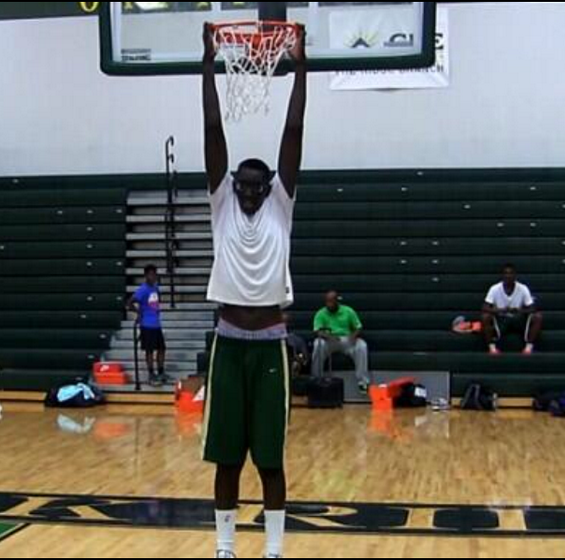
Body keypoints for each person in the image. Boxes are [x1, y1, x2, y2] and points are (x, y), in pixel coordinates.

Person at [200, 21, 307, 560]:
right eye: (238, 183)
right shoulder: (220, 205)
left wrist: (300, 67)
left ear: (268, 188)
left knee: (270, 458)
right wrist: (208, 63)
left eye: (253, 185)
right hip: (227, 342)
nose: (244, 190)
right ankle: (225, 547)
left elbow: (293, 131)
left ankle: (273, 549)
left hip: (269, 344)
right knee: (226, 457)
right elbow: (212, 129)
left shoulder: (280, 208)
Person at [312, 291, 370, 393]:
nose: (329, 304)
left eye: (331, 301)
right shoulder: (321, 313)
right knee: (318, 344)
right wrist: (329, 336)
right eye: (327, 301)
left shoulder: (348, 311)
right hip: (329, 340)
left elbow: (358, 327)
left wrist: (353, 336)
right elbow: (317, 331)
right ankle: (316, 379)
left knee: (362, 346)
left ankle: (363, 382)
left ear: (337, 301)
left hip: (346, 339)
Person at [482, 264, 543, 355]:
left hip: (519, 320)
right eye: (506, 273)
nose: (508, 276)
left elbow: (533, 308)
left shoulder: (523, 288)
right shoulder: (494, 288)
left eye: (511, 273)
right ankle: (492, 348)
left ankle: (528, 348)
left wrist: (519, 310)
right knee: (485, 317)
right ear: (502, 275)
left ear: (515, 275)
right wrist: (500, 310)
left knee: (538, 316)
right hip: (501, 320)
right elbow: (484, 307)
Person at [127, 265, 167, 387]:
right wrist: (139, 313)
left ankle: (161, 371)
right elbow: (130, 302)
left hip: (156, 324)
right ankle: (151, 373)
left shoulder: (155, 287)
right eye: (151, 274)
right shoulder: (142, 290)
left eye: (155, 274)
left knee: (161, 349)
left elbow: (156, 302)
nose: (153, 277)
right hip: (147, 324)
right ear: (146, 276)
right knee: (149, 350)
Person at [283, 312, 310, 377]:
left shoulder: (297, 340)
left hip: (291, 363)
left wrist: (298, 357)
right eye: (282, 322)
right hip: (277, 363)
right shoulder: (272, 339)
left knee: (295, 365)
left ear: (290, 324)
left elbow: (305, 360)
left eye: (286, 322)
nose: (284, 325)